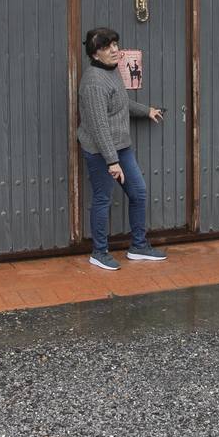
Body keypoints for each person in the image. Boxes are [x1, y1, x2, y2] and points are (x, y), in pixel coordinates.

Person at [76, 27, 165, 270]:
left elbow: (120, 103)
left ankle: (138, 246)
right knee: (103, 198)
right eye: (107, 47)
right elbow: (99, 126)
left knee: (138, 192)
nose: (115, 50)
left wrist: (146, 110)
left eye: (115, 44)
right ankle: (99, 252)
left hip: (120, 148)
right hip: (100, 152)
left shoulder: (111, 71)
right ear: (95, 54)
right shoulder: (94, 83)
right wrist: (111, 162)